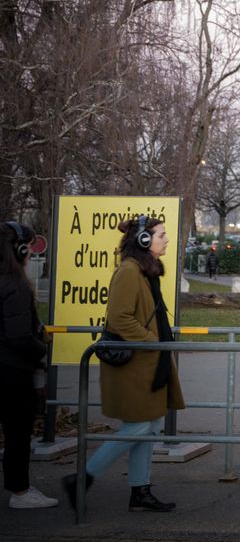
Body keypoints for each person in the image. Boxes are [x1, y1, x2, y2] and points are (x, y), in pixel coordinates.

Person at [62, 215, 184, 512]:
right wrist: (151, 341)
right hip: (135, 366)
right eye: (161, 235)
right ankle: (83, 477)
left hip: (147, 364)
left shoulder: (145, 271)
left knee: (149, 425)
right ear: (144, 240)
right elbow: (119, 319)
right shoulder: (129, 271)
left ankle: (139, 491)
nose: (167, 239)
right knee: (139, 428)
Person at [1, 221, 56, 509]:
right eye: (30, 249)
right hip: (13, 371)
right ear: (20, 249)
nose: (32, 255)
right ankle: (20, 492)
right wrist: (41, 346)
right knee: (17, 434)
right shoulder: (16, 287)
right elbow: (20, 336)